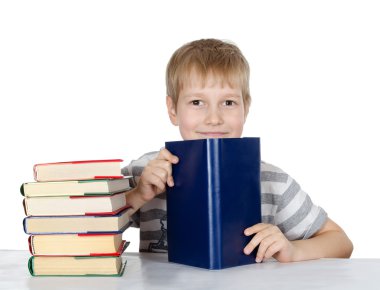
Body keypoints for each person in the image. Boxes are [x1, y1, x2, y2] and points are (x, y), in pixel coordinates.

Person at [122, 38, 353, 262]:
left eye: (229, 102)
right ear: (172, 110)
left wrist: (293, 250)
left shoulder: (273, 182)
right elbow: (90, 226)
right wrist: (138, 195)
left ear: (246, 108)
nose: (214, 119)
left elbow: (340, 242)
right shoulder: (146, 172)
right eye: (196, 102)